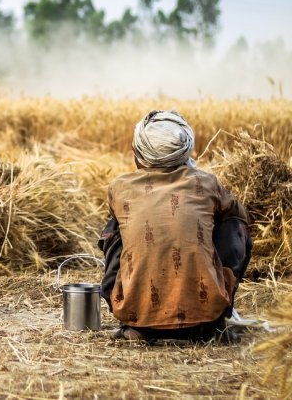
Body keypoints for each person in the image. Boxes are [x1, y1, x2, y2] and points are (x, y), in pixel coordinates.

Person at [99, 110, 252, 343]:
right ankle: (217, 305)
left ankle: (133, 310)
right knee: (233, 222)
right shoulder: (207, 183)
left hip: (137, 318)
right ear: (186, 151)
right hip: (205, 323)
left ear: (136, 154)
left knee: (117, 226)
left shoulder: (119, 188)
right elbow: (239, 217)